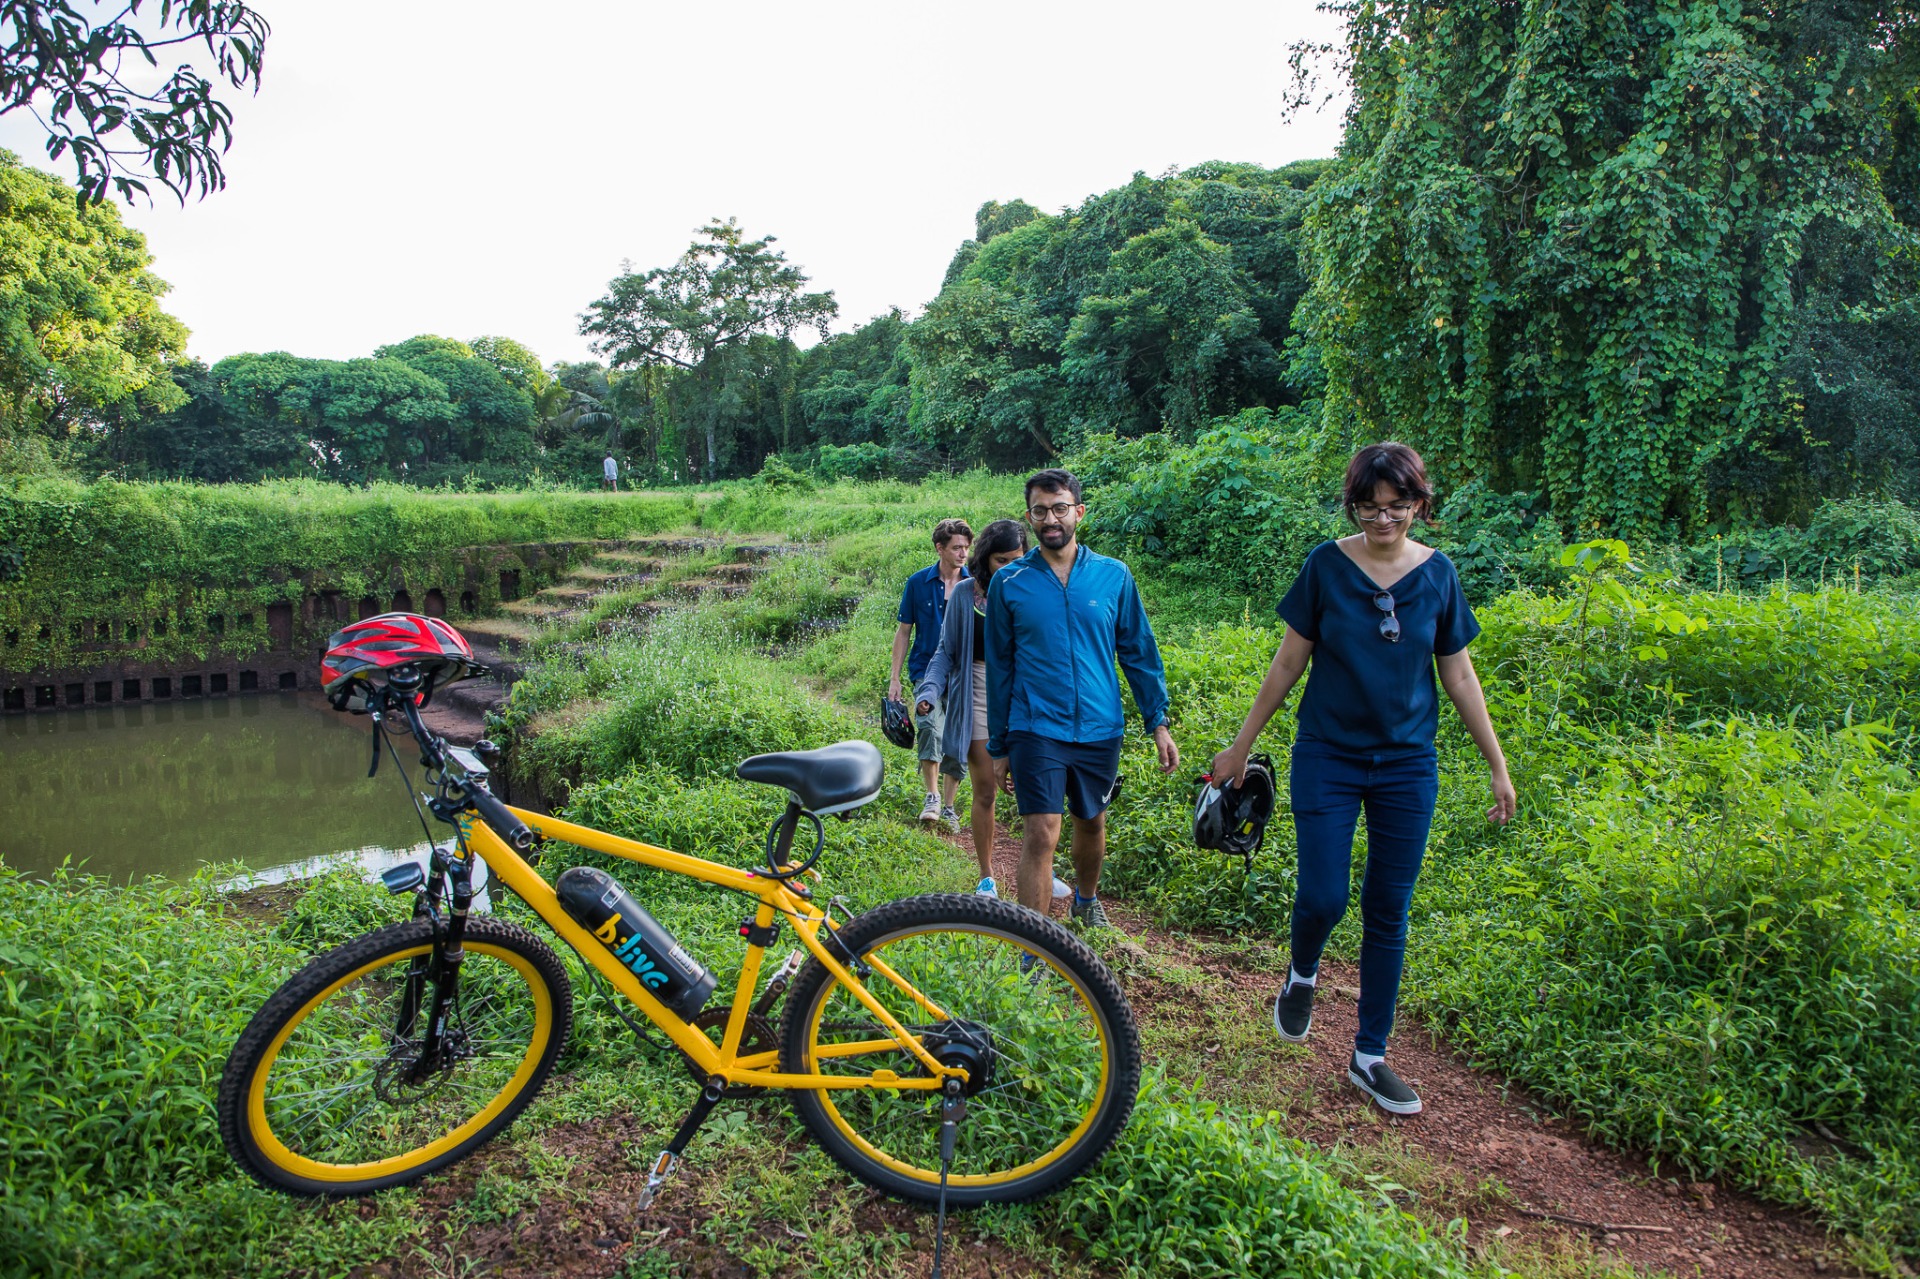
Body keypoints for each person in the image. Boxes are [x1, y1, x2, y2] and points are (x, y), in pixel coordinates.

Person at [1210, 441, 1516, 1117]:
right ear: (1354, 504)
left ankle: (1369, 1055)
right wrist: (1241, 745)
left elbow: (1459, 674)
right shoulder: (1326, 565)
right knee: (1324, 894)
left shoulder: (1438, 576)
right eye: (1371, 507)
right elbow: (1289, 662)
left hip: (1408, 764)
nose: (1385, 519)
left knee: (1389, 906)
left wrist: (1497, 765)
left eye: (1399, 505)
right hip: (1329, 755)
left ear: (1420, 503)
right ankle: (1302, 972)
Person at [986, 469, 1179, 925]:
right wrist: (999, 745)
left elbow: (1138, 652)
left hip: (1100, 725)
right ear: (1029, 516)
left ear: (1079, 512)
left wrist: (1159, 722)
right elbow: (1001, 669)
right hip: (1035, 727)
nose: (1050, 519)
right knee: (1041, 833)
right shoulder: (1009, 583)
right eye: (1039, 510)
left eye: (1059, 508)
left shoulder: (1113, 577)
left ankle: (1087, 901)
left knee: (1091, 821)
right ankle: (1032, 946)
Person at [915, 519, 1030, 896]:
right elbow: (945, 651)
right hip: (979, 693)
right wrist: (928, 690)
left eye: (1018, 559)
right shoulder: (966, 595)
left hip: (1027, 695)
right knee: (986, 790)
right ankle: (986, 875)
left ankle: (1038, 867)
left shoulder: (1031, 589)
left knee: (1035, 791)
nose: (1011, 567)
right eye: (1002, 560)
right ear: (984, 559)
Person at [890, 518, 973, 830]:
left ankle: (950, 805)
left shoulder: (975, 583)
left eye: (966, 547)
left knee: (959, 738)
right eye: (956, 548)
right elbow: (903, 632)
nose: (963, 553)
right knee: (929, 727)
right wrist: (895, 678)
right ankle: (932, 795)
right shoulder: (918, 583)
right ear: (940, 548)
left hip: (964, 673)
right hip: (926, 670)